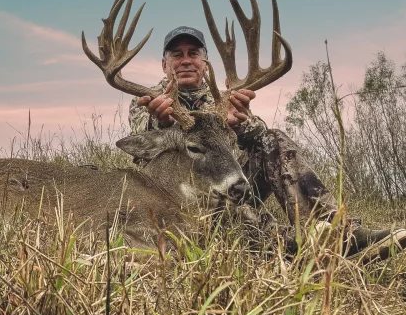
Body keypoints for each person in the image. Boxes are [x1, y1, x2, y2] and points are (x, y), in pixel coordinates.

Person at [128, 26, 406, 260]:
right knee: (239, 227)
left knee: (272, 138)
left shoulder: (224, 100)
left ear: (205, 63)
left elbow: (257, 135)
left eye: (194, 54)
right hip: (179, 202)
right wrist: (162, 123)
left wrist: (241, 123)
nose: (186, 60)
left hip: (233, 187)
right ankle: (307, 247)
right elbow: (142, 158)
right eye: (177, 55)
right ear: (165, 65)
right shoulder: (147, 101)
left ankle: (335, 231)